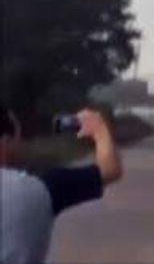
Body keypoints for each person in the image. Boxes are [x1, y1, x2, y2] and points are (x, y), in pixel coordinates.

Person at [0, 103, 123, 264]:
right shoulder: (43, 186)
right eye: (18, 136)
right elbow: (109, 169)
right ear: (5, 141)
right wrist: (99, 130)